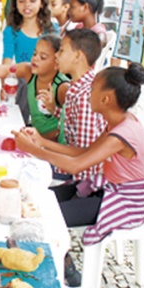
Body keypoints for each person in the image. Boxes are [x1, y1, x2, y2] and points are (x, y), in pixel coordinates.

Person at [14, 63, 144, 245]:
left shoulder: (122, 134)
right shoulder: (118, 122)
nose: (89, 94)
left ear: (106, 99)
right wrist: (42, 142)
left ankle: (66, 265)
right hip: (107, 189)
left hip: (124, 203)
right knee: (37, 199)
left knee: (45, 216)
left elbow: (75, 165)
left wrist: (33, 150)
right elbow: (85, 152)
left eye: (92, 89)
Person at [0, 34, 70, 140]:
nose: (35, 59)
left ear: (57, 62)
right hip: (33, 135)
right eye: (34, 54)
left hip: (50, 143)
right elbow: (1, 70)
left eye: (43, 57)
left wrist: (40, 140)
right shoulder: (29, 71)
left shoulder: (62, 88)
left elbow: (66, 127)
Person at [49, 29, 107, 179]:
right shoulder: (77, 87)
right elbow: (73, 123)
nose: (56, 55)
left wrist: (41, 146)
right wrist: (54, 110)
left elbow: (85, 154)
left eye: (61, 51)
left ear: (78, 56)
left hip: (83, 179)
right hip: (73, 165)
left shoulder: (85, 96)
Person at [3, 0, 54, 65]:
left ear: (42, 3)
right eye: (21, 1)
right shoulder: (11, 31)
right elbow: (6, 62)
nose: (27, 4)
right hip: (22, 77)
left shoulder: (52, 29)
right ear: (16, 4)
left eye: (32, 0)